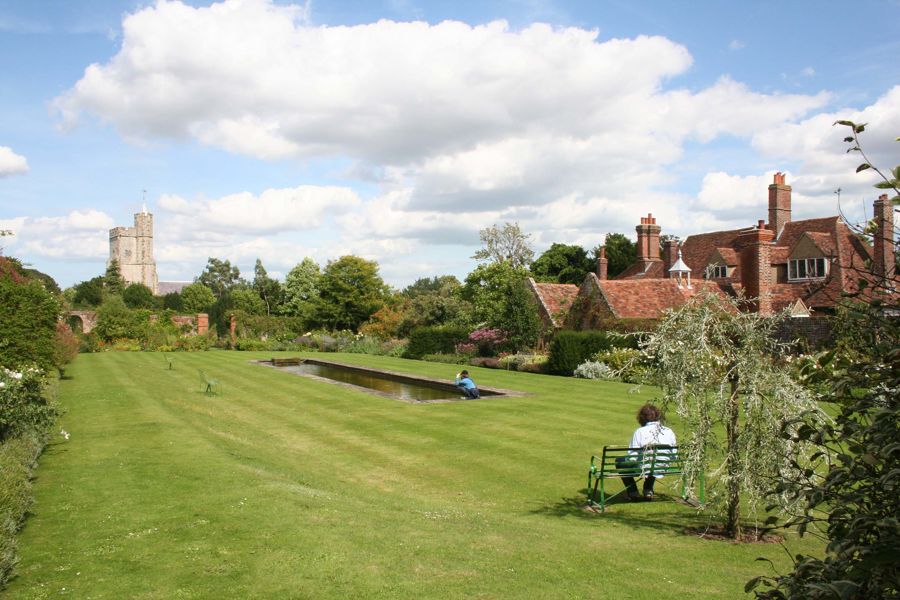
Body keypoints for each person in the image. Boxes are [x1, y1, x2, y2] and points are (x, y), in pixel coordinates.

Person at [616, 403, 676, 501]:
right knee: (652, 461)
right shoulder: (669, 431)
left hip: (644, 468)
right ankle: (648, 490)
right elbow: (674, 456)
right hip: (662, 467)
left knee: (620, 461)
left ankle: (633, 492)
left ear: (642, 418)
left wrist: (626, 460)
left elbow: (632, 457)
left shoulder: (640, 432)